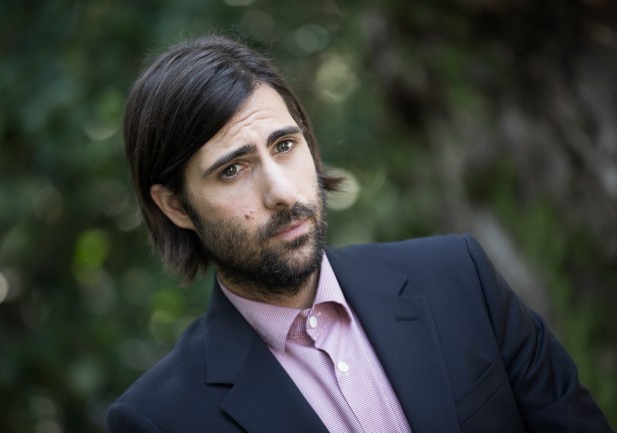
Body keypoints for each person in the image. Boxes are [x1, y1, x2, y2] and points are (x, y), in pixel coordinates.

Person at [107, 35, 613, 433]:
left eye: (284, 145)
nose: (282, 192)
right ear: (175, 205)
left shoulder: (460, 279)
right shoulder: (158, 419)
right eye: (233, 170)